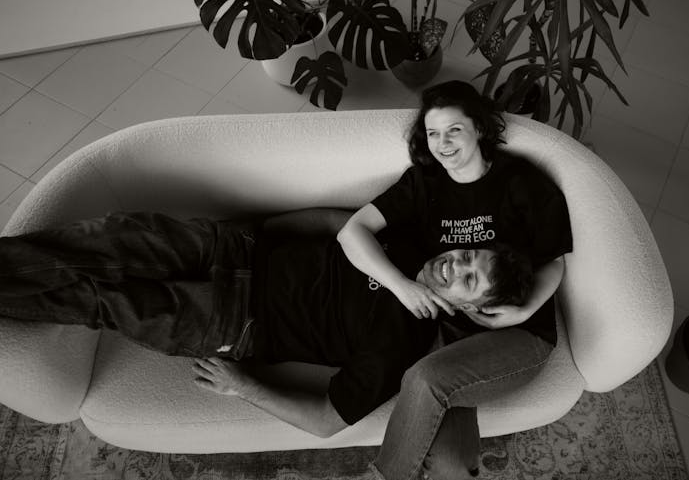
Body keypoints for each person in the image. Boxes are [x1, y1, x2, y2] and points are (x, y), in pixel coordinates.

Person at [0, 208, 533, 438]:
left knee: (98, 296)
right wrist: (256, 231)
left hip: (231, 320)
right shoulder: (412, 237)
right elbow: (335, 222)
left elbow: (327, 420)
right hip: (233, 246)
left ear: (470, 309)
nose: (453, 263)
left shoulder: (405, 344)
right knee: (104, 240)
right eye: (467, 253)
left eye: (466, 280)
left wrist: (244, 386)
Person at [336, 80, 573, 479]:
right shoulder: (424, 182)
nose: (442, 143)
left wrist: (521, 312)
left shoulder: (522, 183)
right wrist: (403, 286)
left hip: (519, 335)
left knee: (426, 379)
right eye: (432, 133)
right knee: (453, 466)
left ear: (479, 128)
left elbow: (555, 261)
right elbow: (351, 232)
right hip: (447, 331)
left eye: (453, 130)